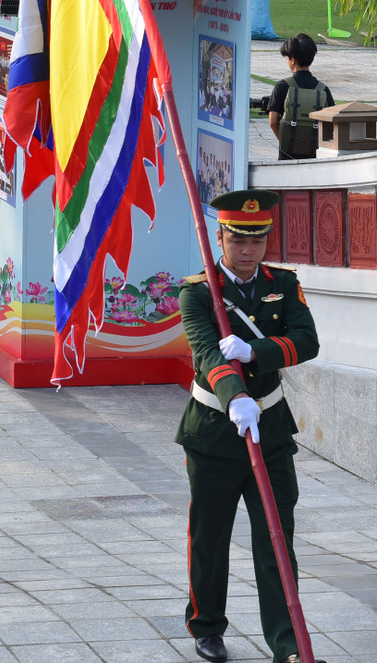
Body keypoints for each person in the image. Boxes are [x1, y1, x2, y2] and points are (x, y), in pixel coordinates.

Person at [176, 189, 323, 663]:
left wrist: (257, 352)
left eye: (257, 240)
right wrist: (235, 395)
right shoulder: (198, 292)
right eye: (238, 239)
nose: (247, 250)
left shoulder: (283, 283)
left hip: (272, 430)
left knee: (276, 536)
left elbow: (307, 341)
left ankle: (286, 642)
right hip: (216, 431)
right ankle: (206, 627)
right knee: (210, 535)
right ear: (219, 237)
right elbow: (205, 350)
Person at [268, 33, 334, 161]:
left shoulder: (282, 86)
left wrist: (285, 142)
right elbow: (331, 124)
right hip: (314, 155)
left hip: (287, 155)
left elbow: (272, 121)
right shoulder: (323, 89)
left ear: (293, 60)